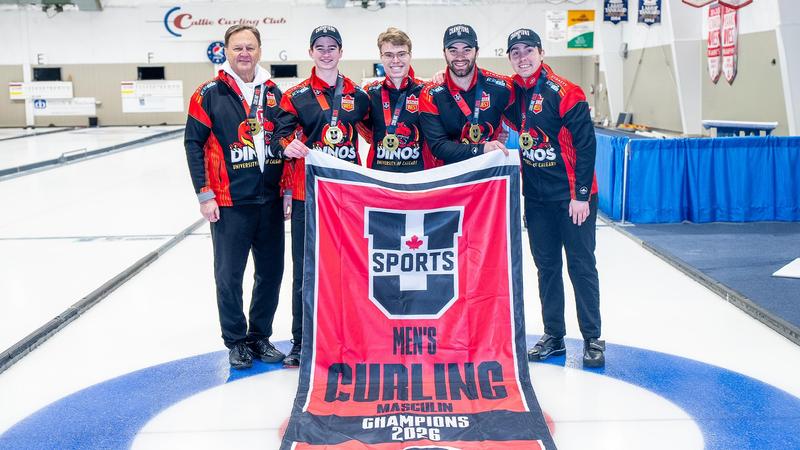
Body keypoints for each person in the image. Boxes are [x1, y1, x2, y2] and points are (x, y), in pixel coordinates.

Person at [185, 25, 288, 369]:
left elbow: (286, 143)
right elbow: (193, 144)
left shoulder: (273, 92)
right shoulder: (209, 93)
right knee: (229, 276)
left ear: (260, 50)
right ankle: (236, 341)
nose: (244, 53)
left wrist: (287, 189)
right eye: (237, 47)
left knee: (270, 273)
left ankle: (260, 336)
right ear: (226, 51)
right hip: (229, 202)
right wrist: (204, 193)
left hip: (270, 200)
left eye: (250, 47)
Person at [502, 28, 604, 367]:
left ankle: (592, 338)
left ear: (541, 53)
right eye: (515, 53)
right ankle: (554, 335)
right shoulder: (512, 93)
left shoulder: (567, 92)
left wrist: (582, 196)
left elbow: (586, 146)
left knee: (581, 266)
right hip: (537, 200)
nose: (522, 58)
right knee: (546, 269)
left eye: (528, 51)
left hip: (572, 198)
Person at [271, 25, 370, 367]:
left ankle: (350, 337)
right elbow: (277, 139)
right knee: (305, 271)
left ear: (341, 52)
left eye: (332, 47)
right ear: (311, 52)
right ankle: (302, 341)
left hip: (348, 197)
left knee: (349, 270)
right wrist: (288, 146)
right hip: (308, 197)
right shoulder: (295, 95)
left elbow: (385, 129)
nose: (326, 53)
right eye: (320, 47)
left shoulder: (358, 95)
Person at [419, 24, 511, 164]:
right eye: (453, 51)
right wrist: (482, 149)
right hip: (450, 176)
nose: (460, 57)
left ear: (477, 52)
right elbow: (438, 146)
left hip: (490, 174)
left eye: (466, 50)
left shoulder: (501, 87)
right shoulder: (430, 93)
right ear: (444, 53)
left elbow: (531, 94)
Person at [359, 27, 437, 172]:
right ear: (381, 57)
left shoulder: (427, 92)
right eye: (389, 55)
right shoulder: (369, 93)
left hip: (418, 179)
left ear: (410, 55)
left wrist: (446, 75)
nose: (396, 60)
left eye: (401, 54)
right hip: (380, 179)